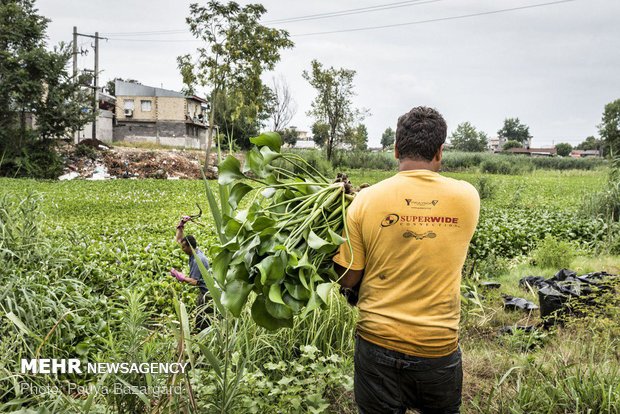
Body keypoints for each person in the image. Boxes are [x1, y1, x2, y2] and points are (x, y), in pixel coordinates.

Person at [332, 106, 480, 414]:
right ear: (440, 152)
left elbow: (348, 279)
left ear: (396, 149)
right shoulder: (468, 197)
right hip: (438, 347)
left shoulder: (364, 201)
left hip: (377, 342)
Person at [171, 215, 212, 330]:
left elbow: (194, 282)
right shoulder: (193, 251)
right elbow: (179, 240)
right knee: (200, 315)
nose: (182, 249)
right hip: (203, 292)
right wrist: (181, 225)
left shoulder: (198, 260)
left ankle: (204, 336)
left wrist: (180, 276)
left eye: (184, 247)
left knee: (203, 320)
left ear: (190, 247)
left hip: (209, 294)